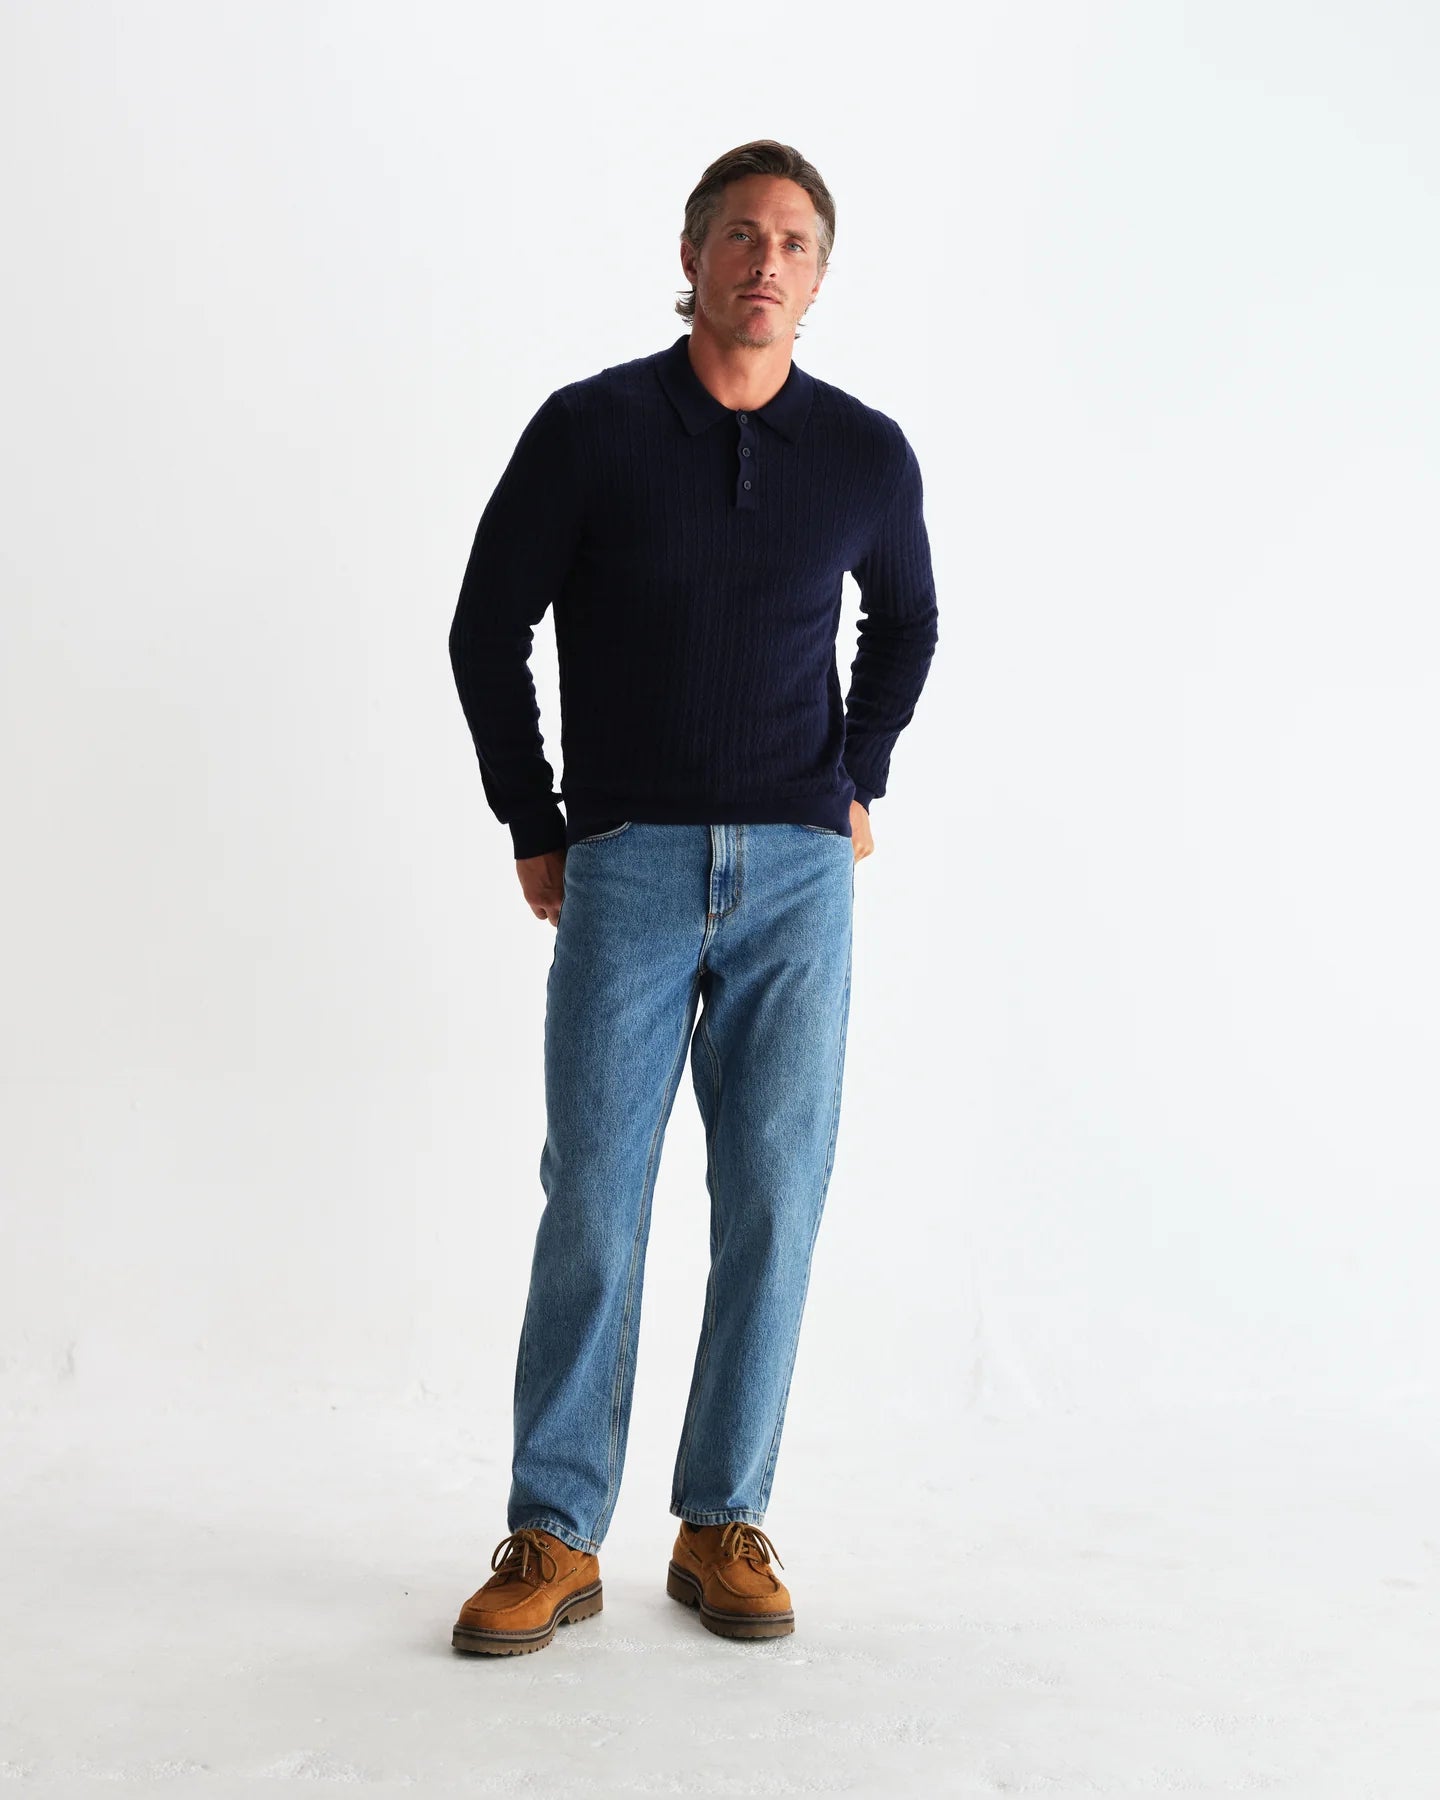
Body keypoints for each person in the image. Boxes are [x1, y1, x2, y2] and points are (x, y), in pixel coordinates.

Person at [446, 139, 939, 1655]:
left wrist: (856, 774)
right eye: (740, 234)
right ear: (692, 254)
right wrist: (535, 820)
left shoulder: (863, 453)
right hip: (630, 862)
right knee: (594, 1196)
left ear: (819, 275)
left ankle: (724, 1520)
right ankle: (554, 1530)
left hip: (800, 875)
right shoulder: (591, 430)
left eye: (794, 242)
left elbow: (909, 623)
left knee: (775, 1197)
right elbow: (485, 626)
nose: (765, 261)